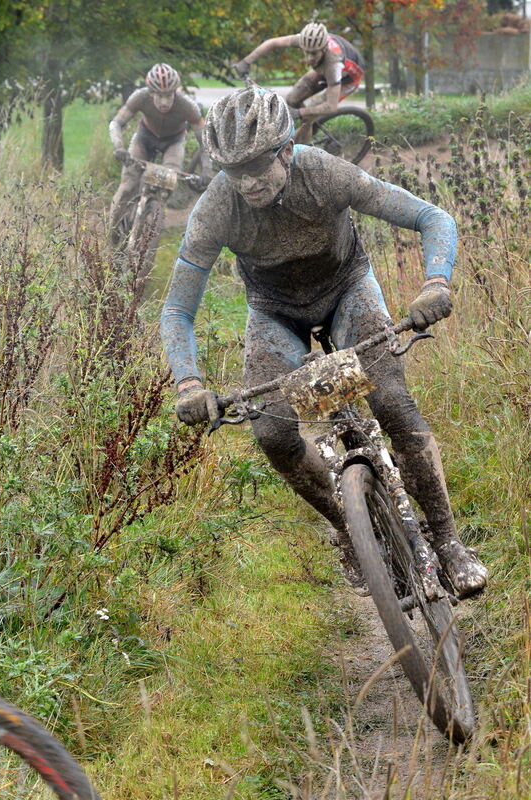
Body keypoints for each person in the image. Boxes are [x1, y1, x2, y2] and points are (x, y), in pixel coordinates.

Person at [160, 87, 487, 598]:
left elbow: (432, 218)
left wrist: (436, 283)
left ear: (286, 150)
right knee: (270, 434)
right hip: (275, 314)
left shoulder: (326, 174)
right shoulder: (215, 210)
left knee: (393, 403)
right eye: (231, 169)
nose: (245, 182)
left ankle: (448, 542)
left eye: (255, 165)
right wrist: (188, 382)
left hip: (347, 291)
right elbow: (178, 309)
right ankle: (357, 534)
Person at [108, 63, 212, 246]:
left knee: (166, 184)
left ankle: (154, 213)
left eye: (169, 95)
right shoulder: (139, 97)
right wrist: (119, 147)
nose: (164, 102)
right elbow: (116, 123)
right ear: (150, 93)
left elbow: (205, 142)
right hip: (144, 138)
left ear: (175, 92)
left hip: (174, 141)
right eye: (159, 96)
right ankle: (111, 235)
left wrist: (206, 171)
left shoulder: (188, 106)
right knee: (127, 186)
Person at [233, 22, 364, 124]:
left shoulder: (333, 63)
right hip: (322, 67)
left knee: (308, 116)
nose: (308, 58)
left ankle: (304, 148)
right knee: (291, 99)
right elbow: (272, 43)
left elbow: (331, 106)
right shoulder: (306, 40)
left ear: (324, 49)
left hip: (349, 79)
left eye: (313, 53)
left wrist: (300, 113)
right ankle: (303, 129)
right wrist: (246, 62)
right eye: (305, 51)